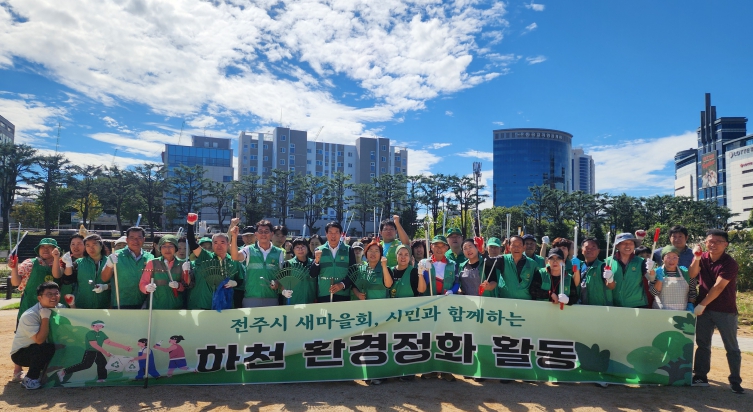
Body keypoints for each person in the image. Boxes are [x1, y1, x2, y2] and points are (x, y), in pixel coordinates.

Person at [689, 229, 743, 393]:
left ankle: (735, 381)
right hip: (704, 310)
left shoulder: (729, 263)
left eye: (718, 242)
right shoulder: (703, 257)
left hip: (725, 310)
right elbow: (692, 274)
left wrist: (702, 304)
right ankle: (700, 376)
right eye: (710, 241)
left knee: (731, 346)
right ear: (705, 243)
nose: (713, 244)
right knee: (703, 344)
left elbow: (719, 287)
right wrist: (697, 258)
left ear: (725, 244)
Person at [10, 282, 63, 390]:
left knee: (63, 346)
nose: (54, 297)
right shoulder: (30, 315)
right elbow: (39, 340)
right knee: (44, 348)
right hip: (22, 353)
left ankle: (46, 373)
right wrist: (45, 318)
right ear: (39, 298)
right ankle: (30, 379)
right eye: (49, 294)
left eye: (56, 293)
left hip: (41, 347)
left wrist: (72, 305)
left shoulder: (60, 308)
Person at [185, 215, 245, 310]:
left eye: (222, 242)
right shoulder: (205, 256)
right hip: (203, 305)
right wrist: (190, 224)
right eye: (215, 243)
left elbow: (241, 280)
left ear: (228, 244)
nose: (219, 246)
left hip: (225, 307)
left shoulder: (234, 261)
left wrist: (235, 283)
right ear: (212, 245)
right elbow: (192, 243)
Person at [229, 218, 284, 308]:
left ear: (272, 234)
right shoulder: (249, 249)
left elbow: (282, 276)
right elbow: (235, 256)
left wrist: (277, 283)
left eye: (266, 231)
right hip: (251, 298)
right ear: (256, 234)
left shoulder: (279, 252)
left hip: (272, 298)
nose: (263, 234)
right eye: (260, 231)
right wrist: (234, 237)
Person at [57, 320, 132, 383]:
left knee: (102, 364)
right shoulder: (90, 333)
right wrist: (105, 352)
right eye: (97, 325)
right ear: (93, 326)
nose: (99, 326)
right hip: (91, 352)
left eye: (101, 325)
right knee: (86, 365)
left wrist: (124, 347)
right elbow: (94, 345)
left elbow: (109, 342)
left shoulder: (101, 333)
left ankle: (101, 379)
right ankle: (63, 372)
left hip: (98, 352)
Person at [101, 227, 154, 309]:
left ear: (144, 239)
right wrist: (109, 265)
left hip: (143, 303)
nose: (135, 241)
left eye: (139, 238)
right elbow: (104, 278)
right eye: (132, 238)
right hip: (121, 303)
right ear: (127, 240)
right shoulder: (116, 255)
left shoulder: (150, 257)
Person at [58, 234, 111, 309]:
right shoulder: (79, 262)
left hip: (105, 306)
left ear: (101, 246)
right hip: (82, 305)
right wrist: (68, 264)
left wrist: (105, 287)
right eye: (87, 245)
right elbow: (67, 280)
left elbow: (117, 284)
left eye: (94, 244)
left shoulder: (110, 262)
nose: (91, 248)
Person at [310, 222, 357, 303]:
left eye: (336, 232)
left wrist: (342, 284)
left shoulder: (349, 250)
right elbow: (312, 274)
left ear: (341, 234)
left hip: (343, 294)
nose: (333, 235)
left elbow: (353, 272)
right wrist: (316, 262)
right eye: (330, 232)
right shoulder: (319, 250)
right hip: (324, 294)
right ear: (326, 234)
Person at [603, 233, 653, 308]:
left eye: (631, 243)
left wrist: (651, 270)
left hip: (638, 304)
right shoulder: (608, 262)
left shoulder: (641, 261)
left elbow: (651, 278)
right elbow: (608, 285)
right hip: (615, 305)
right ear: (617, 246)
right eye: (624, 243)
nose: (628, 246)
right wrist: (609, 280)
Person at [138, 235, 188, 310]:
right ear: (160, 249)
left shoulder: (182, 265)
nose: (167, 249)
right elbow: (143, 283)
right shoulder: (152, 263)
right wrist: (147, 288)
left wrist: (178, 286)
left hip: (176, 308)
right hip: (155, 307)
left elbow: (186, 286)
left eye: (170, 246)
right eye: (164, 246)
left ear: (176, 248)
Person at [650, 245, 697, 310]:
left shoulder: (686, 273)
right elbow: (654, 293)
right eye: (668, 257)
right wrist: (659, 279)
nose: (672, 260)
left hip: (681, 312)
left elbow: (692, 292)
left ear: (678, 259)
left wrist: (690, 304)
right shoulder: (656, 272)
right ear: (662, 259)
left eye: (675, 257)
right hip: (660, 312)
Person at [496, 235, 538, 300]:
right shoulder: (502, 259)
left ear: (524, 247)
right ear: (508, 247)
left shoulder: (533, 264)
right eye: (513, 245)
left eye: (519, 245)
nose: (516, 248)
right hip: (505, 301)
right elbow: (488, 262)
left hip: (526, 302)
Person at [279, 237, 316, 305]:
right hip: (293, 303)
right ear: (293, 249)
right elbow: (282, 284)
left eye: (303, 246)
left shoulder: (314, 263)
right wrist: (284, 292)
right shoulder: (288, 264)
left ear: (307, 248)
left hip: (311, 303)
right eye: (297, 247)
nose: (300, 249)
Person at [578, 238, 613, 306]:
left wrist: (610, 279)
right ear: (582, 250)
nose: (590, 250)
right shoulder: (578, 266)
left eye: (593, 247)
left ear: (598, 251)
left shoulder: (603, 266)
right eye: (587, 247)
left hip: (600, 308)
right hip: (580, 307)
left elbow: (611, 286)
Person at [58, 234, 85, 307]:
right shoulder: (64, 259)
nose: (75, 247)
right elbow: (59, 275)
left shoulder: (90, 260)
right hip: (67, 293)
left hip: (84, 295)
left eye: (79, 244)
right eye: (73, 244)